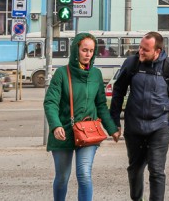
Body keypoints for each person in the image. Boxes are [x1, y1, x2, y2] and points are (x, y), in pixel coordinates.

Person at [43, 32, 121, 201]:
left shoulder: (96, 74)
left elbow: (100, 104)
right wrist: (55, 125)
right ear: (76, 50)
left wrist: (112, 128)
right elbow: (50, 102)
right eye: (84, 50)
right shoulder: (62, 74)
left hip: (88, 132)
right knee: (62, 177)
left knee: (84, 174)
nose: (88, 54)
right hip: (63, 131)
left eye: (91, 51)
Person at [110, 31, 169, 201]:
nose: (140, 52)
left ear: (157, 51)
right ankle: (137, 198)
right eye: (140, 47)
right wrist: (115, 121)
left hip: (160, 127)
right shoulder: (131, 64)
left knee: (156, 170)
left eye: (145, 49)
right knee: (135, 169)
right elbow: (118, 92)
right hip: (134, 126)